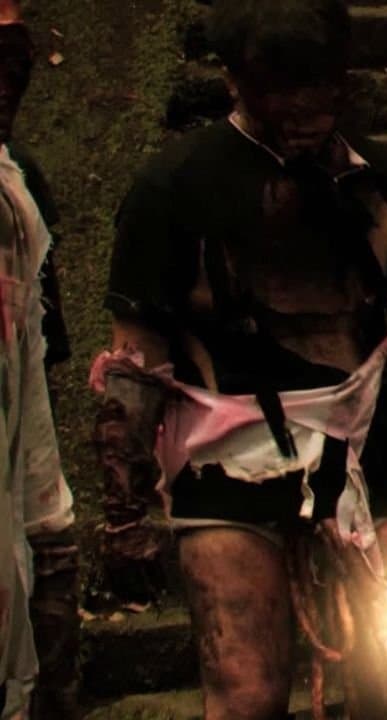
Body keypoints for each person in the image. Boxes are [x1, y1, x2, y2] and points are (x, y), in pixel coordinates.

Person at [91, 0, 387, 717]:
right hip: (227, 460)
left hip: (370, 450)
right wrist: (123, 510)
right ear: (234, 80)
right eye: (280, 84)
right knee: (246, 689)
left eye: (318, 81)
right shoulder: (173, 189)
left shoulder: (385, 181)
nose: (303, 106)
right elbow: (136, 357)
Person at [0, 2, 79, 718]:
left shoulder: (17, 185)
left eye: (14, 62)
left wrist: (46, 522)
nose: (6, 85)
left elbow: (34, 361)